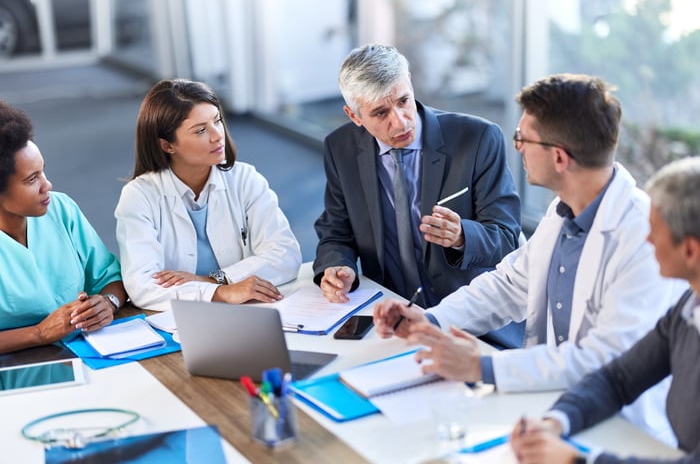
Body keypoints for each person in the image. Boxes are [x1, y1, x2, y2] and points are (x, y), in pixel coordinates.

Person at [373, 73, 687, 443]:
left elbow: (605, 359)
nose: (517, 146)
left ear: (558, 157)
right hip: (551, 409)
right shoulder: (564, 210)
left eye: (522, 138)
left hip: (621, 431)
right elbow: (509, 285)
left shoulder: (643, 237)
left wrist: (481, 365)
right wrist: (431, 321)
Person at [312, 44, 521, 333]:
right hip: (391, 316)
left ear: (409, 81)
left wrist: (462, 236)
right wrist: (338, 266)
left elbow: (508, 239)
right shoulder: (340, 149)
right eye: (380, 112)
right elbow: (336, 230)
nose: (399, 122)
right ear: (354, 116)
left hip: (470, 322)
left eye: (403, 101)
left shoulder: (478, 139)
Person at [510, 156, 700, 464]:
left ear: (690, 250)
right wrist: (555, 422)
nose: (646, 238)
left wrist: (577, 460)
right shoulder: (686, 309)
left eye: (655, 230)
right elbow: (619, 377)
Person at [115, 79, 302, 312]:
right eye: (201, 130)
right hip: (183, 321)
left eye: (217, 121)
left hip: (248, 310)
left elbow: (286, 255)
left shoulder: (245, 179)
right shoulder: (139, 196)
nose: (217, 136)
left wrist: (215, 280)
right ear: (167, 145)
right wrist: (222, 293)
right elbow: (143, 287)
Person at [0, 101, 126, 354]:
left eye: (43, 172)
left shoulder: (61, 209)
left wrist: (108, 303)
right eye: (32, 179)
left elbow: (110, 278)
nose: (47, 185)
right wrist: (39, 333)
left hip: (89, 354)